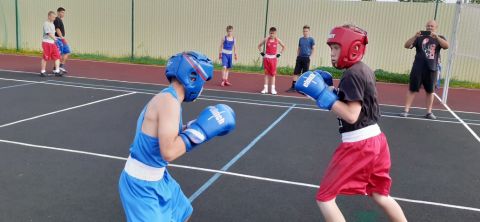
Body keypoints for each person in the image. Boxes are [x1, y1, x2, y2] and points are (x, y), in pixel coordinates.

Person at [295, 25, 407, 222]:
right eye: (331, 48)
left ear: (351, 47)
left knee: (325, 198)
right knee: (380, 194)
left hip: (359, 143)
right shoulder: (363, 69)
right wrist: (331, 91)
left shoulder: (352, 74)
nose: (332, 53)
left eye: (336, 48)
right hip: (377, 140)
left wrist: (322, 95)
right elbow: (357, 104)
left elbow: (351, 115)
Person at [118, 51, 236, 221]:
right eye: (203, 82)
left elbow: (166, 135)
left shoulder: (169, 97)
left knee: (184, 212)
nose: (202, 88)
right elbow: (169, 151)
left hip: (158, 177)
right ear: (193, 78)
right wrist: (201, 131)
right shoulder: (169, 103)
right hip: (140, 185)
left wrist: (191, 126)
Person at [401, 20, 449, 119]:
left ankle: (429, 112)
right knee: (412, 89)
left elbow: (446, 46)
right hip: (418, 68)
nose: (429, 27)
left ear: (436, 27)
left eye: (432, 26)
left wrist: (437, 37)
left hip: (432, 68)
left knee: (430, 91)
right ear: (425, 26)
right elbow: (406, 45)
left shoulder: (439, 38)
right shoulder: (419, 37)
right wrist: (415, 36)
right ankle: (406, 110)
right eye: (428, 26)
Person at [286, 25, 316, 93]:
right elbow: (299, 48)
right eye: (304, 31)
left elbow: (313, 48)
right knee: (296, 73)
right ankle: (293, 87)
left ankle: (304, 89)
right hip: (300, 58)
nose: (305, 32)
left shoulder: (311, 39)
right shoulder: (301, 39)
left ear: (309, 31)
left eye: (306, 31)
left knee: (305, 74)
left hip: (306, 58)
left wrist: (310, 57)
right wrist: (297, 55)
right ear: (303, 31)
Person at [257, 27, 286, 95]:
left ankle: (273, 89)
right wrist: (261, 52)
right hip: (267, 58)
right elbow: (259, 46)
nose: (271, 34)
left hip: (273, 59)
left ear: (275, 33)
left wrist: (280, 53)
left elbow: (284, 46)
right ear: (269, 33)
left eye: (273, 33)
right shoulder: (266, 39)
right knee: (266, 74)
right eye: (270, 33)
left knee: (273, 75)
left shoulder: (277, 40)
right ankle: (265, 88)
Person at [40, 11, 61, 77]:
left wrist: (57, 39)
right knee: (45, 57)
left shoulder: (52, 24)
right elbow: (48, 33)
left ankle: (57, 71)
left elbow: (53, 34)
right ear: (49, 16)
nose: (54, 18)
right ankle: (43, 71)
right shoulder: (46, 23)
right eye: (53, 17)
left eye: (55, 17)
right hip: (46, 43)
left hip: (52, 43)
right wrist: (56, 39)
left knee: (57, 56)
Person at [53, 7, 71, 73]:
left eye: (64, 13)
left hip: (60, 38)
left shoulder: (60, 20)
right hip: (58, 39)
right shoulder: (57, 19)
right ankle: (56, 68)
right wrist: (62, 38)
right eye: (62, 12)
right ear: (58, 12)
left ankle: (61, 66)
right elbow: (57, 29)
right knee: (58, 54)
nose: (63, 14)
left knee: (67, 51)